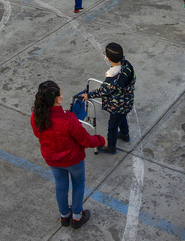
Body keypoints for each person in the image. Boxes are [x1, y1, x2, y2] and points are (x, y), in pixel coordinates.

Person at [31, 80, 104, 229]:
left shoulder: (36, 117)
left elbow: (38, 134)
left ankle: (64, 215)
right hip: (73, 160)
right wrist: (101, 140)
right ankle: (77, 216)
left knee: (60, 185)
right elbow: (85, 141)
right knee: (78, 184)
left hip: (52, 159)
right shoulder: (68, 119)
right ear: (58, 99)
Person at [82, 43, 135, 154]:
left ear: (108, 58)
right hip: (127, 102)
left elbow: (103, 90)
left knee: (112, 126)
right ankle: (125, 134)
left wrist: (89, 95)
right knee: (122, 117)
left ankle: (111, 147)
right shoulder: (127, 65)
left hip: (117, 105)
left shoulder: (112, 75)